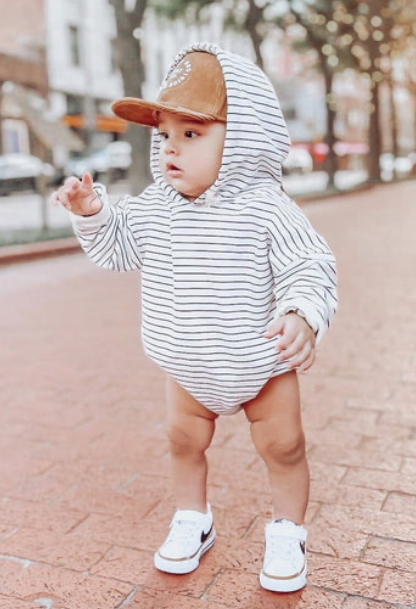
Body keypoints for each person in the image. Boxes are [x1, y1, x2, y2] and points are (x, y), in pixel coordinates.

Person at [51, 43, 337, 593]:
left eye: (192, 133)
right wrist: (92, 214)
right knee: (182, 441)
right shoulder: (156, 206)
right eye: (164, 135)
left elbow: (310, 264)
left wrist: (302, 312)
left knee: (283, 446)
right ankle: (192, 517)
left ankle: (287, 530)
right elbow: (118, 248)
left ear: (243, 140)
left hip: (261, 360)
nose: (170, 151)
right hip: (186, 363)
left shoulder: (266, 207)